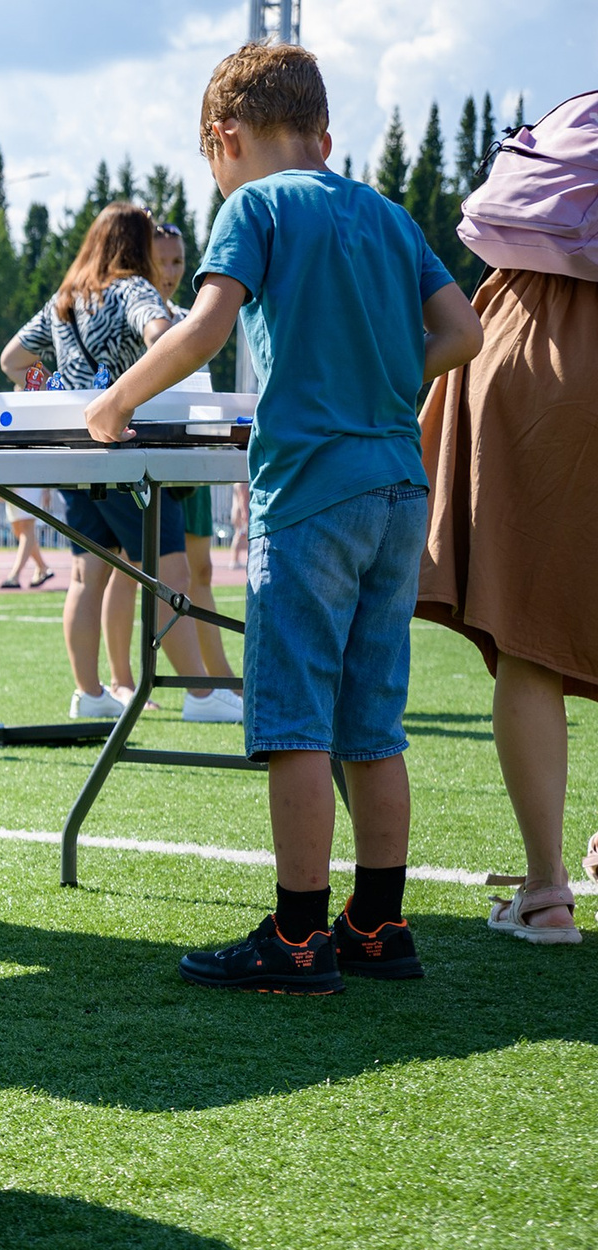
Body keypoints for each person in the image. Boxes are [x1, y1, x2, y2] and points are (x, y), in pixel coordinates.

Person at [87, 41, 482, 991]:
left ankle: (299, 934)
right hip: (398, 487)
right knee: (372, 723)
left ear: (224, 139)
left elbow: (205, 327)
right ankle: (379, 925)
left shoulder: (253, 207)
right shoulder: (387, 215)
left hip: (310, 493)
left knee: (296, 723)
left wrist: (115, 403)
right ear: (324, 136)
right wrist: (392, 374)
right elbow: (464, 331)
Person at [417, 106, 598, 946]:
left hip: (528, 340)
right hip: (531, 334)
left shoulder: (571, 117)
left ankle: (547, 890)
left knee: (528, 635)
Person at [0, 203, 211, 721]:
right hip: (125, 450)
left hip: (72, 453)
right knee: (170, 570)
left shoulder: (66, 298)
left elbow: (11, 360)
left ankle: (89, 693)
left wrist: (62, 386)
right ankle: (204, 696)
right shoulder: (133, 289)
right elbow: (162, 336)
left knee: (85, 577)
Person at [148, 224, 239, 704]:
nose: (170, 271)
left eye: (178, 261)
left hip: (191, 460)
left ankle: (219, 677)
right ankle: (122, 681)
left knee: (200, 570)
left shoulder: (192, 320)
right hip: (150, 461)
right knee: (136, 574)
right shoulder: (132, 315)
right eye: (160, 261)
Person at [0, 488, 56, 589]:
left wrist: (46, 489)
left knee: (26, 527)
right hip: (12, 484)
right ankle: (42, 567)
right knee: (18, 529)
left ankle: (15, 575)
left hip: (30, 485)